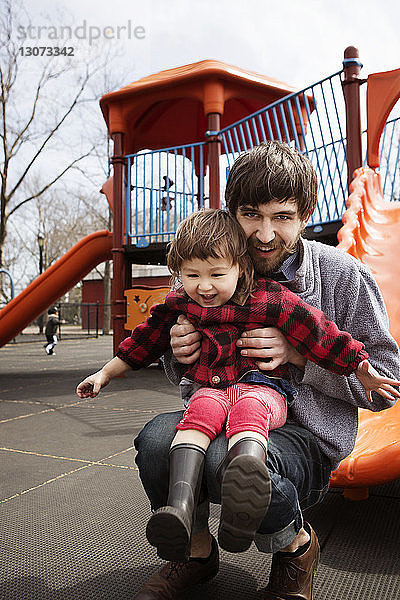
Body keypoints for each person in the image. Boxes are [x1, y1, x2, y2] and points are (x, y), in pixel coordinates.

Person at [132, 142, 400, 600]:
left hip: (305, 431)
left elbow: (387, 382)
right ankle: (195, 553)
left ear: (305, 215)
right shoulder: (208, 270)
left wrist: (300, 359)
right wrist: (179, 352)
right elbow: (174, 365)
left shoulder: (342, 275)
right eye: (252, 214)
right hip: (217, 410)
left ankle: (295, 548)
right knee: (157, 442)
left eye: (283, 217)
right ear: (231, 209)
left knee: (226, 464)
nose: (264, 234)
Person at [77, 209, 398, 563]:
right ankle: (184, 520)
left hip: (264, 393)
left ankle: (284, 545)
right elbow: (145, 339)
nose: (204, 286)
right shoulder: (189, 289)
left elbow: (320, 334)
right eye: (250, 215)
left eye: (281, 216)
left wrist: (352, 364)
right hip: (212, 391)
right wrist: (114, 370)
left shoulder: (278, 295)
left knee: (240, 429)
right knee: (165, 434)